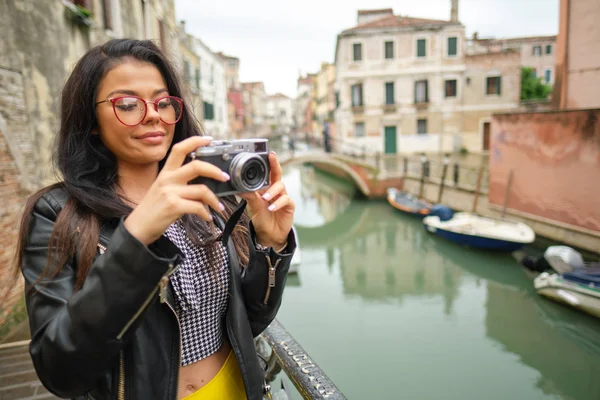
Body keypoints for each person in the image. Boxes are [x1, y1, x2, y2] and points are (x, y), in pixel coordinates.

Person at [13, 39, 296, 400]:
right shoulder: (58, 214)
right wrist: (136, 236)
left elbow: (249, 320)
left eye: (163, 102)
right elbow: (60, 370)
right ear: (91, 120)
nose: (152, 115)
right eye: (128, 104)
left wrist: (270, 246)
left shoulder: (209, 198)